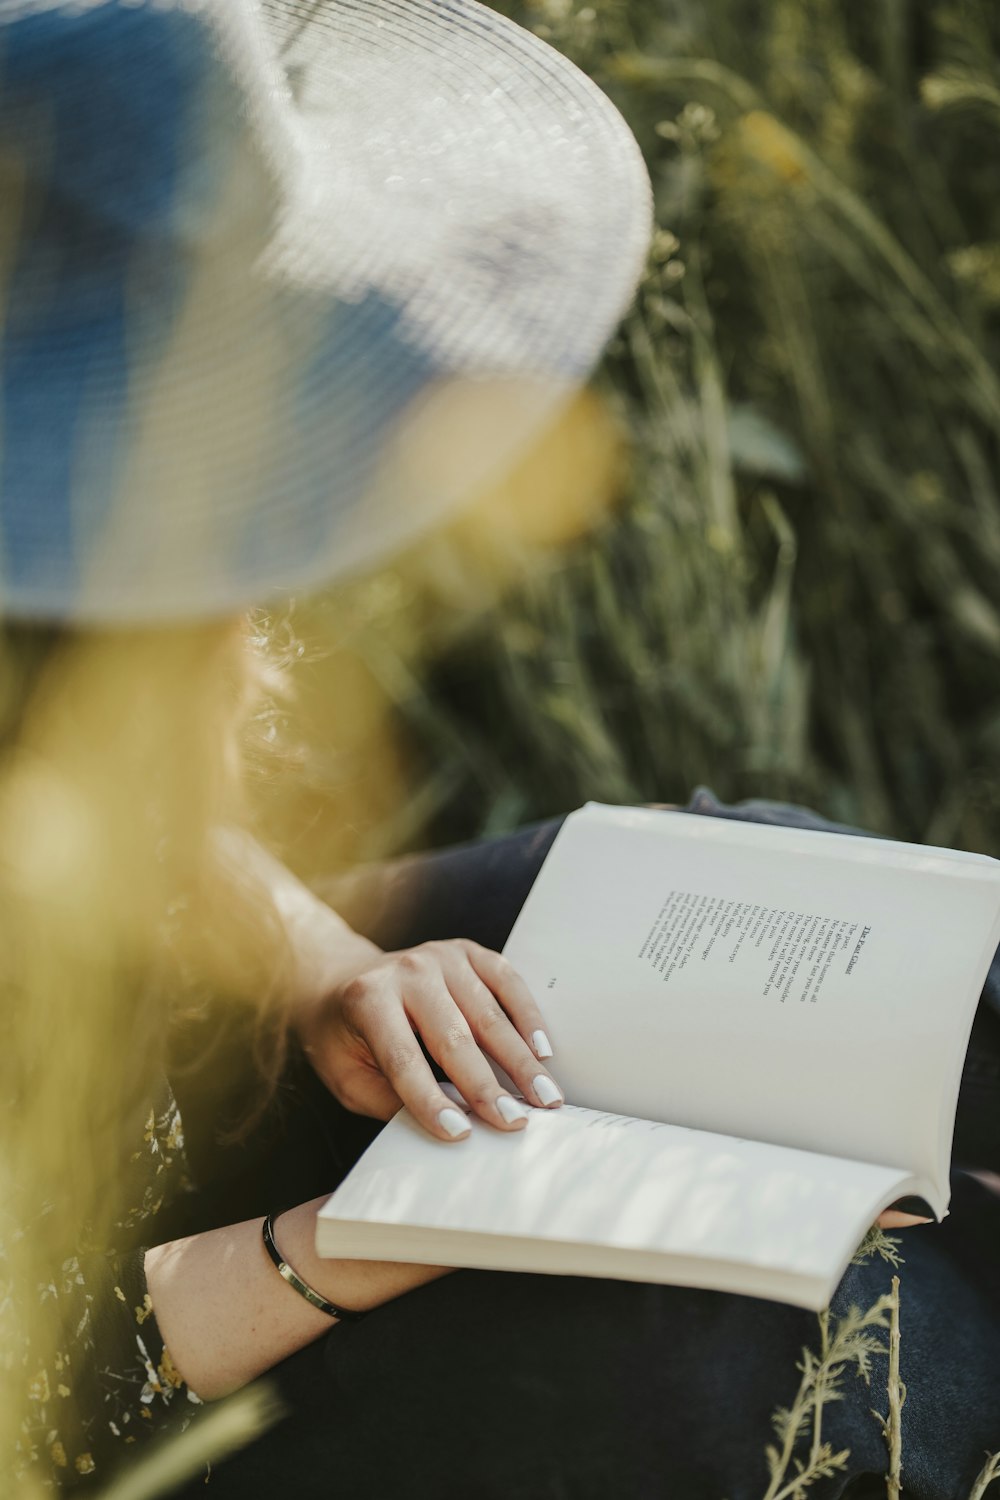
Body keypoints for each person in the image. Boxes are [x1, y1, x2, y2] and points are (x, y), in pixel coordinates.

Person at [1, 1, 998, 1497]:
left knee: (801, 906)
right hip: (133, 1332)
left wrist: (328, 965)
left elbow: (133, 824)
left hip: (185, 1051)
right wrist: (384, 1233)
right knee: (708, 1371)